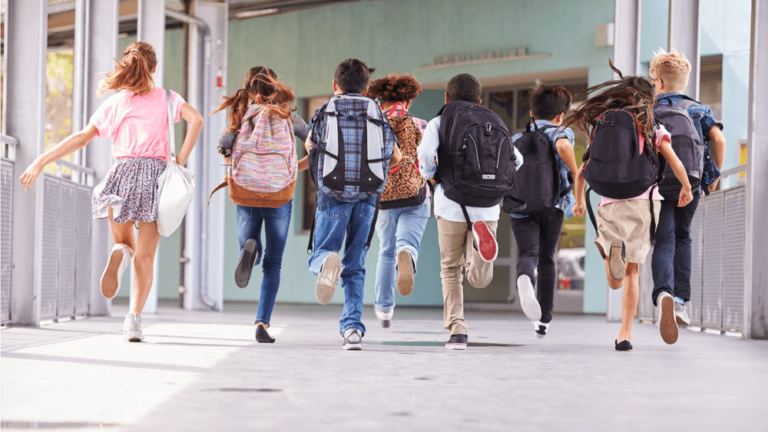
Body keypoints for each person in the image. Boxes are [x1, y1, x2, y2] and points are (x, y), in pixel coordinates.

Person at [19, 42, 203, 342]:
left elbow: (82, 138)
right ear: (154, 68)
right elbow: (197, 120)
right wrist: (179, 159)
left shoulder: (117, 103)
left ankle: (119, 252)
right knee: (145, 258)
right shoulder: (168, 99)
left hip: (121, 176)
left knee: (125, 244)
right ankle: (133, 321)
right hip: (155, 179)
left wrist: (41, 160)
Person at [565, 63, 693, 351]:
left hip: (609, 201)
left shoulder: (602, 123)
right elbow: (673, 160)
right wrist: (685, 187)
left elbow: (582, 171)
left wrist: (578, 200)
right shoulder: (651, 125)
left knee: (614, 280)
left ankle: (614, 259)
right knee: (633, 271)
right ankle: (625, 334)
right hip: (643, 200)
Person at [418, 73, 524, 350]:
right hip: (487, 208)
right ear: (479, 99)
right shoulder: (493, 120)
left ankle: (458, 331)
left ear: (446, 98)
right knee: (478, 278)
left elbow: (425, 154)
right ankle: (481, 251)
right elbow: (518, 159)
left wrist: (430, 175)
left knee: (450, 270)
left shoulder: (439, 122)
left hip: (450, 204)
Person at [305, 59, 398, 350]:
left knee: (321, 252)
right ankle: (352, 330)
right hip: (368, 197)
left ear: (335, 86)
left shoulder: (326, 110)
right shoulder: (377, 112)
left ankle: (326, 263)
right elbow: (393, 157)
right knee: (355, 263)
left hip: (332, 193)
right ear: (367, 87)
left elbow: (310, 146)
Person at [211, 67, 309, 343]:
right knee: (274, 263)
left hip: (246, 191)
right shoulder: (288, 115)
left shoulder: (241, 115)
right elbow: (315, 145)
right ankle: (262, 323)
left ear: (249, 91)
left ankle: (249, 251)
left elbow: (225, 146)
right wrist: (293, 170)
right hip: (280, 194)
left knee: (249, 242)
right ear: (275, 87)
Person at [649, 49, 726, 340]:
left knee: (663, 240)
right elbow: (719, 138)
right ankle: (679, 303)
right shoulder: (700, 109)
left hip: (657, 185)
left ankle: (664, 293)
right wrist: (714, 174)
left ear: (659, 82)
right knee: (683, 237)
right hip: (690, 185)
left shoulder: (648, 110)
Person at [506, 84, 581, 338]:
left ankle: (525, 276)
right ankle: (543, 321)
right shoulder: (562, 131)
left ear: (531, 113)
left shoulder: (516, 139)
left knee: (529, 254)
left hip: (521, 205)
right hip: (552, 205)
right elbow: (562, 147)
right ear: (560, 115)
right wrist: (575, 172)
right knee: (548, 259)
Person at [366, 73, 430, 329]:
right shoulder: (419, 124)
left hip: (384, 198)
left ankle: (383, 308)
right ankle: (408, 254)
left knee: (385, 251)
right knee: (407, 242)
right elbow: (430, 161)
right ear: (409, 99)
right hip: (415, 194)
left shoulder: (374, 125)